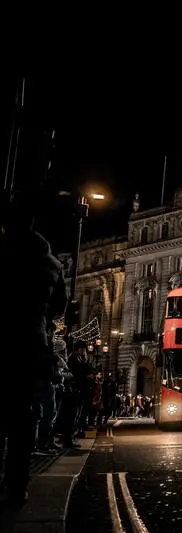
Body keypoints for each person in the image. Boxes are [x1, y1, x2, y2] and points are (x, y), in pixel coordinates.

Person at [0, 192, 67, 508]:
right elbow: (59, 306)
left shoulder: (4, 249)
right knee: (23, 414)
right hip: (31, 339)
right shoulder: (51, 263)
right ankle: (17, 484)